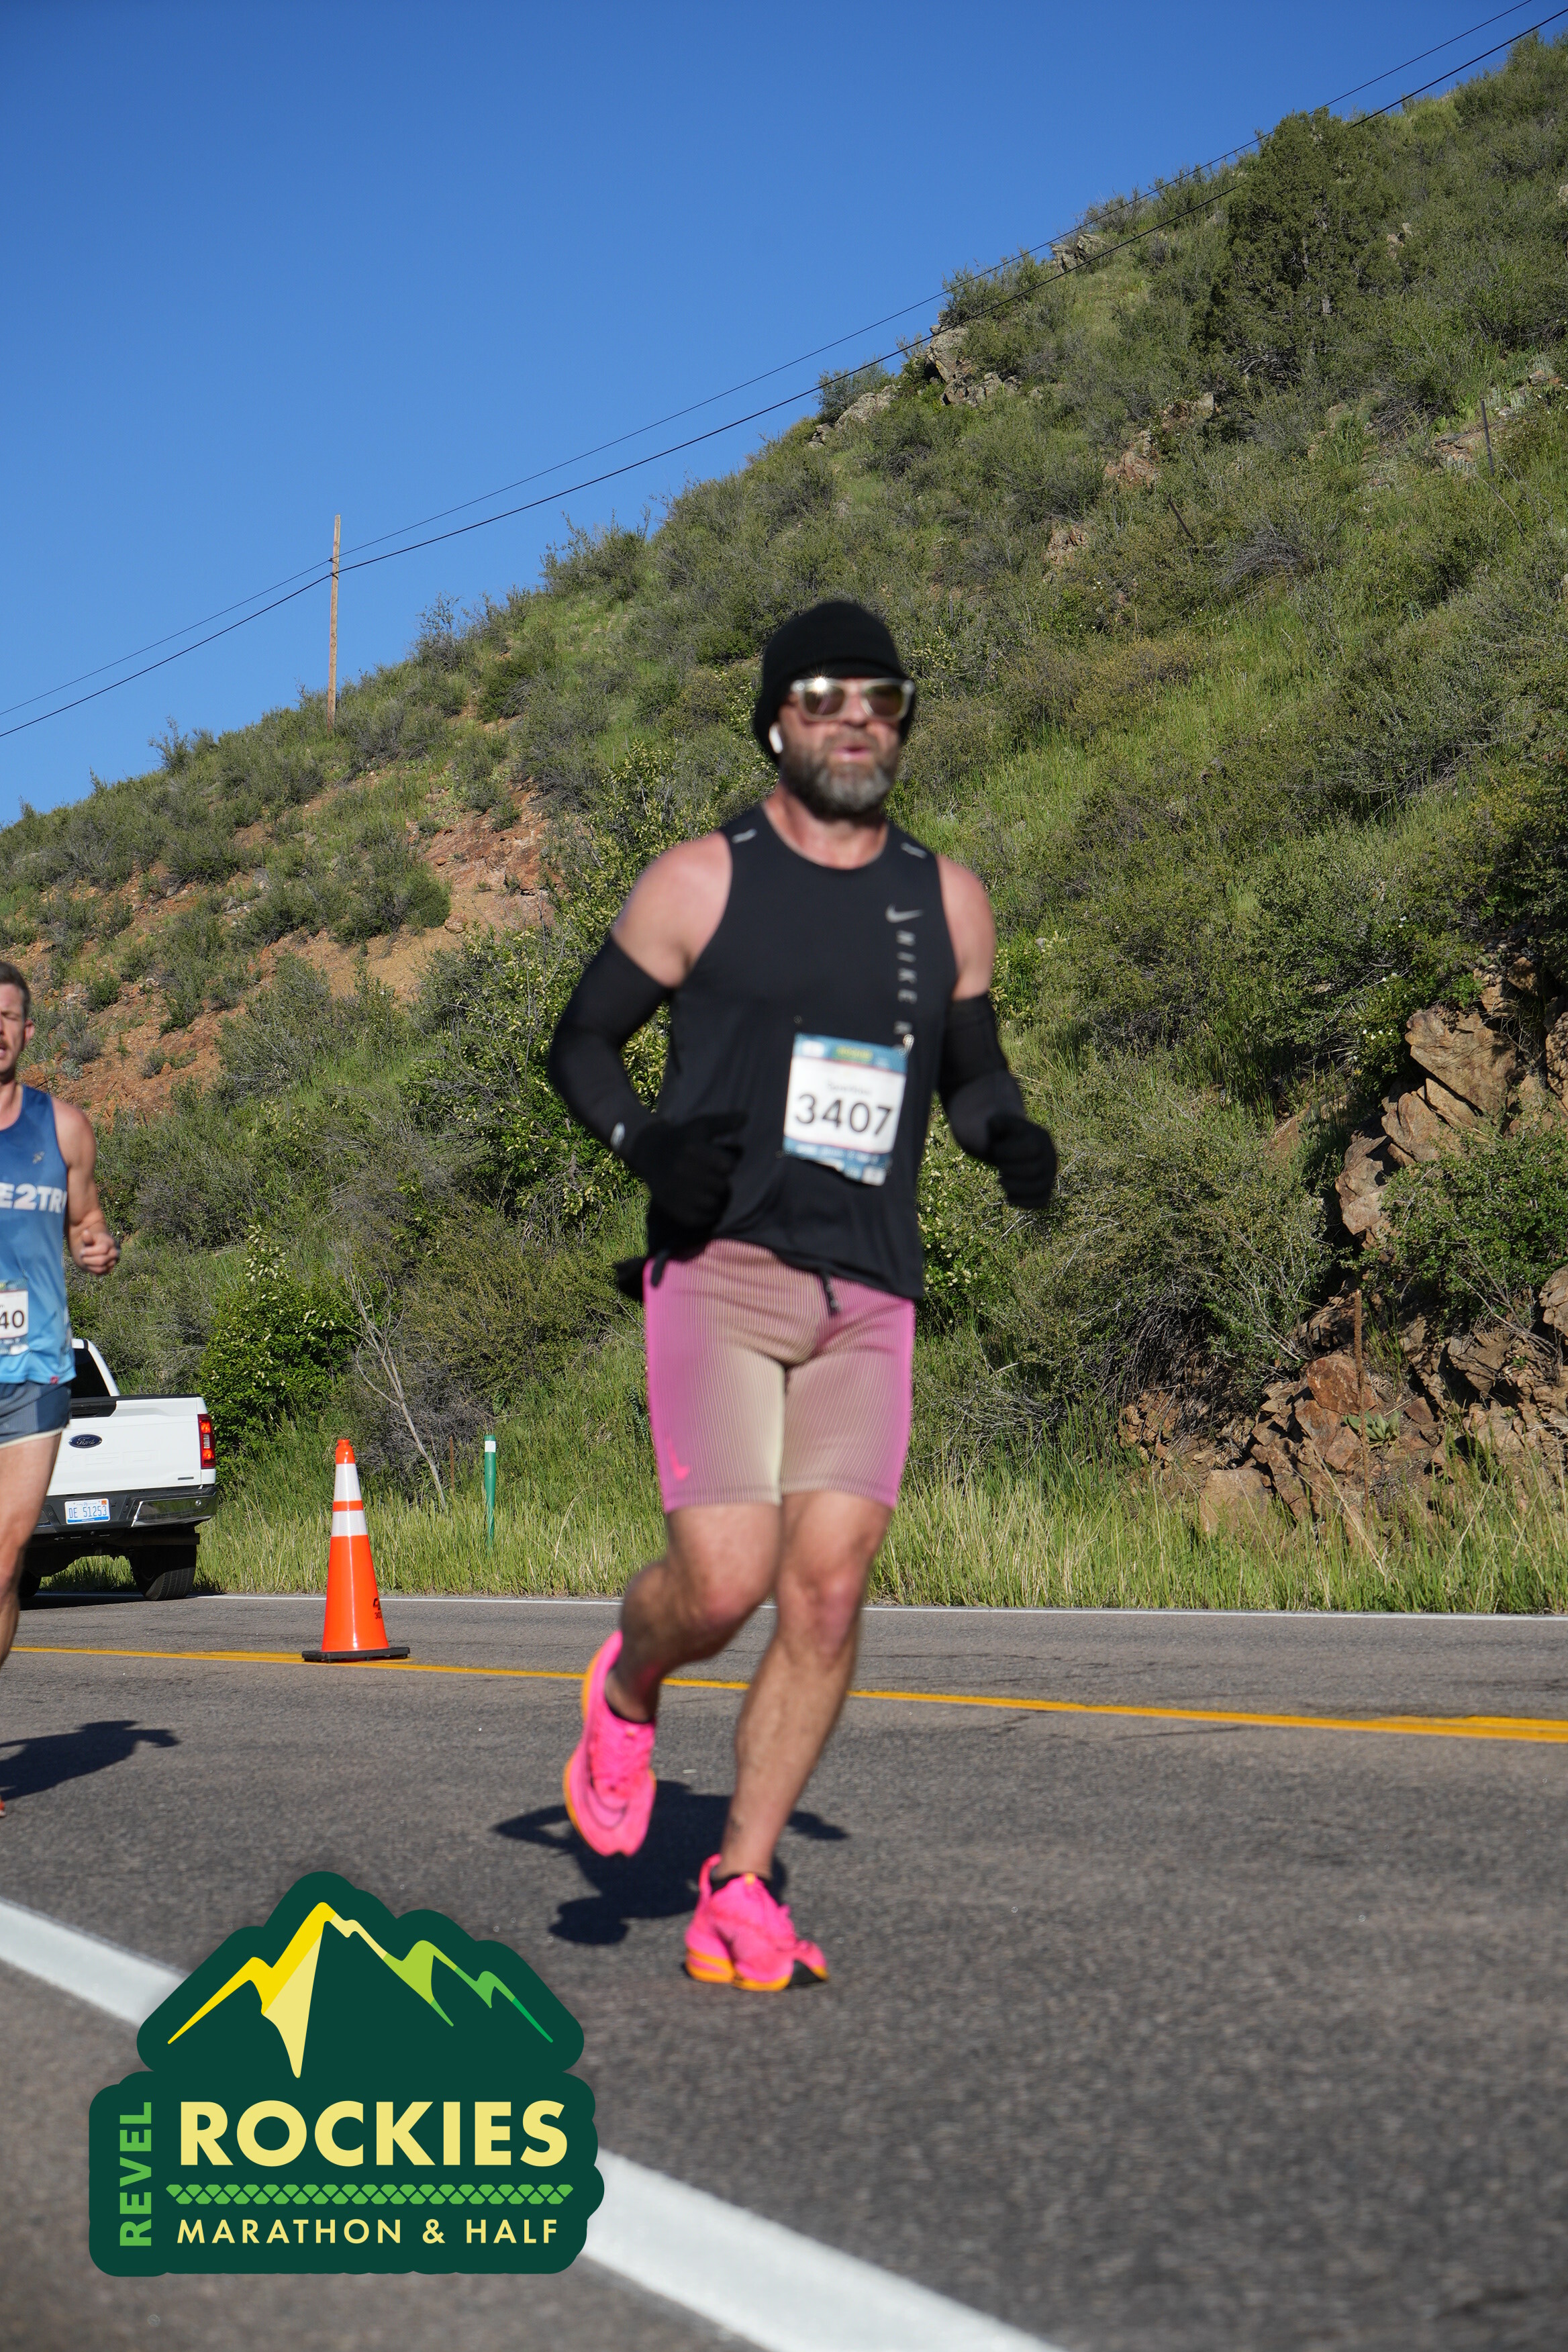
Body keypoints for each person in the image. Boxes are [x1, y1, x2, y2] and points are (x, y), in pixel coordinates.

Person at [546, 599, 1055, 1990]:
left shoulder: (947, 899)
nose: (854, 721)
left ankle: (738, 1883)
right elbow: (581, 1041)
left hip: (870, 1289)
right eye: (823, 698)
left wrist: (1006, 1131)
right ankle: (628, 1685)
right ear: (775, 723)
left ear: (902, 723)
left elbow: (971, 1071)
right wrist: (645, 1143)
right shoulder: (699, 880)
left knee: (825, 1594)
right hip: (720, 1270)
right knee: (725, 1583)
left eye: (879, 699)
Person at [0, 963, 119, 1739]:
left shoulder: (65, 1128)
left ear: (27, 1030)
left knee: (5, 1562)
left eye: (7, 1016)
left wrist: (98, 1245)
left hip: (34, 1368)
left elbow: (88, 1221)